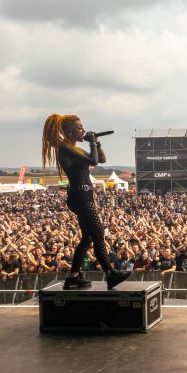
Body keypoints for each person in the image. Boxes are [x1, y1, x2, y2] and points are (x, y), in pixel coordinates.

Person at [42, 113, 131, 290]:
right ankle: (110, 274)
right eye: (79, 127)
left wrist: (96, 142)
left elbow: (101, 159)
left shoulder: (73, 149)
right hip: (80, 196)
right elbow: (93, 160)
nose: (83, 130)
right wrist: (91, 143)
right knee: (98, 234)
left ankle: (73, 276)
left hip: (84, 195)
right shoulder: (65, 149)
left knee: (88, 238)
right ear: (68, 131)